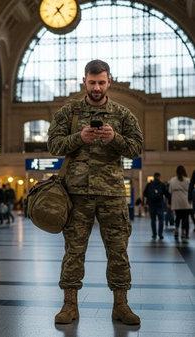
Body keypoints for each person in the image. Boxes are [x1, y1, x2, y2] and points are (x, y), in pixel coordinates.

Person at [47, 60, 143, 325]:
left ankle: (121, 305)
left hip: (112, 194)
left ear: (109, 81)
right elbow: (53, 145)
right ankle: (69, 305)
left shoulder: (123, 114)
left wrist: (115, 138)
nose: (97, 87)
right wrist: (80, 137)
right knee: (74, 251)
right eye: (92, 82)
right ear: (84, 82)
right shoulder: (70, 112)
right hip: (76, 195)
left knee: (118, 250)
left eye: (102, 82)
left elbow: (136, 148)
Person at [143, 172, 170, 239]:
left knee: (153, 220)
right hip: (160, 204)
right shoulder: (162, 184)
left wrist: (147, 201)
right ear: (159, 177)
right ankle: (160, 234)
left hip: (152, 204)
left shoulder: (149, 184)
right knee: (161, 219)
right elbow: (167, 194)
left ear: (154, 177)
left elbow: (145, 194)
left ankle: (154, 234)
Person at [168, 165, 192, 240]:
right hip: (185, 201)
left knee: (178, 217)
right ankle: (183, 233)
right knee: (185, 218)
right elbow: (190, 190)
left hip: (176, 201)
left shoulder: (172, 180)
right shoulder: (187, 180)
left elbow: (170, 191)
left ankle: (176, 231)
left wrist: (169, 202)